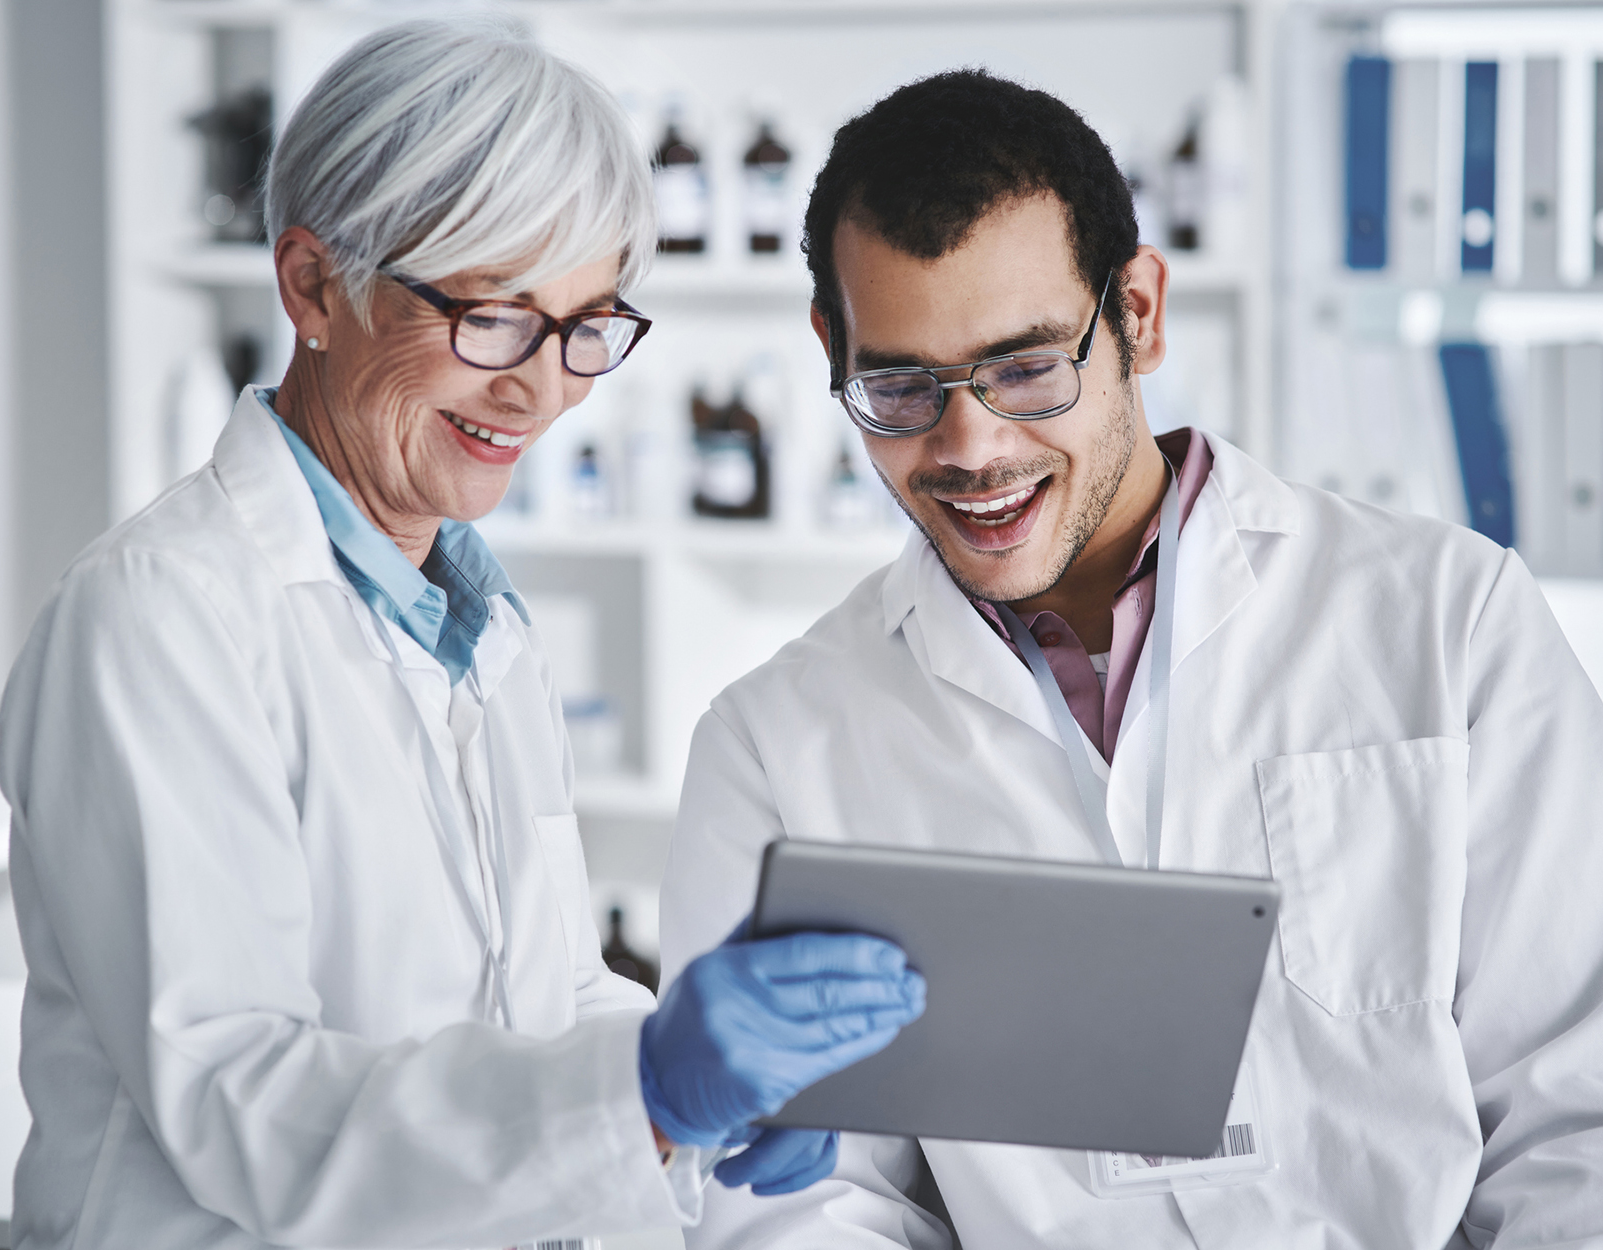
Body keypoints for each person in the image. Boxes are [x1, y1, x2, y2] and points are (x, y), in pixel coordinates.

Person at [0, 22, 924, 1250]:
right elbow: (243, 1098)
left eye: (588, 323)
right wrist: (638, 1096)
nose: (540, 387)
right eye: (494, 316)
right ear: (313, 286)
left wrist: (692, 1088)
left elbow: (537, 997)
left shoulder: (479, 626)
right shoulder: (157, 619)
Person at [660, 68, 1603, 1247]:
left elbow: (1579, 1115)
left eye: (1025, 365)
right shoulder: (777, 741)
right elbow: (795, 1203)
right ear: (830, 349)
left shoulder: (1452, 623)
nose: (972, 445)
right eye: (902, 384)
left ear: (1140, 314)